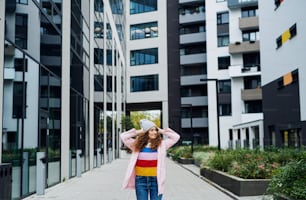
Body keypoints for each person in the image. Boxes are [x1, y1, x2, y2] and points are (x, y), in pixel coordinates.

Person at [120, 119, 180, 200]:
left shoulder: (162, 145)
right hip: (141, 180)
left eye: (155, 130)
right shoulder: (136, 145)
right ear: (146, 132)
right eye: (151, 130)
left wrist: (161, 130)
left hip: (156, 180)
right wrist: (139, 131)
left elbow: (176, 137)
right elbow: (123, 136)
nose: (155, 132)